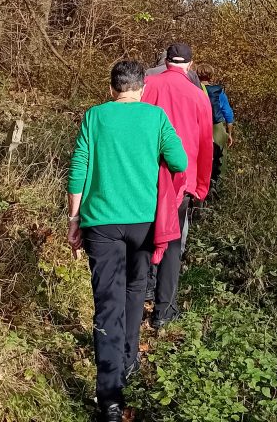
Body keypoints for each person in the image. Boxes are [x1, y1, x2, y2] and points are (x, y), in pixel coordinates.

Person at [66, 60, 188, 422]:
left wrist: (74, 219)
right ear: (143, 89)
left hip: (101, 223)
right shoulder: (155, 117)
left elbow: (78, 169)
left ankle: (110, 400)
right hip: (145, 223)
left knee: (107, 302)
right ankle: (129, 359)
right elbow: (179, 160)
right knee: (137, 287)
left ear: (111, 89)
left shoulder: (95, 117)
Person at [141, 42, 213, 329]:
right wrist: (201, 187)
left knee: (144, 232)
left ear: (166, 60)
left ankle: (143, 287)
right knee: (172, 243)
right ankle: (164, 310)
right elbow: (205, 144)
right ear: (190, 65)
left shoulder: (146, 85)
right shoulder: (198, 96)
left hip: (145, 174)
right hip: (181, 181)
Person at [197, 65, 234, 193]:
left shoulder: (193, 89)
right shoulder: (218, 91)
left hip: (198, 126)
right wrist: (229, 133)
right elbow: (227, 112)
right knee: (220, 157)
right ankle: (217, 187)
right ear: (211, 75)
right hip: (216, 126)